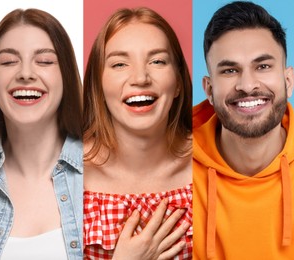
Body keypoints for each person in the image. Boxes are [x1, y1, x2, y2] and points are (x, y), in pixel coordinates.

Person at [193, 2, 294, 259]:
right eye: (230, 70)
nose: (247, 85)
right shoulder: (174, 164)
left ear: (288, 81)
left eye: (263, 66)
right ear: (209, 90)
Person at [0, 8, 85, 260]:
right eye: (9, 62)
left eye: (44, 61)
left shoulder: (104, 168)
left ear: (65, 79)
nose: (25, 73)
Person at [81, 7, 192, 260]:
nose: (140, 78)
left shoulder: (211, 164)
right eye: (120, 64)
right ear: (99, 84)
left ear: (177, 82)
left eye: (157, 61)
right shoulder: (66, 175)